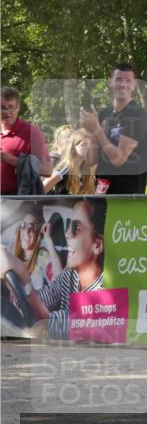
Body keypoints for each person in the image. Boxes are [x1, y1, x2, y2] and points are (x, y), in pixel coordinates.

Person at [0, 198, 106, 340]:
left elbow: (46, 323)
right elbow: (39, 301)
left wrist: (22, 275)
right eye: (68, 224)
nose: (67, 234)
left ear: (97, 245)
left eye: (76, 228)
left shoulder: (104, 290)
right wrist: (12, 279)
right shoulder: (70, 275)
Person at [80, 63, 147, 195]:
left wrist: (97, 130)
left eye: (128, 80)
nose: (123, 84)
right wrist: (91, 134)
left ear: (134, 84)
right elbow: (91, 160)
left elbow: (119, 159)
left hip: (127, 194)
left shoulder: (137, 114)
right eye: (118, 79)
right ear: (110, 82)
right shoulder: (104, 114)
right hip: (102, 189)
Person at [1, 87, 52, 195]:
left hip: (18, 201)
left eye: (11, 107)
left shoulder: (31, 132)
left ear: (18, 107)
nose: (7, 112)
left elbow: (47, 170)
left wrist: (13, 161)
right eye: (3, 107)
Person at [46, 130, 97, 196]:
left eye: (91, 145)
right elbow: (42, 190)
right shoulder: (65, 168)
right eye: (84, 145)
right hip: (60, 205)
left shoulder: (87, 168)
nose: (89, 148)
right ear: (73, 147)